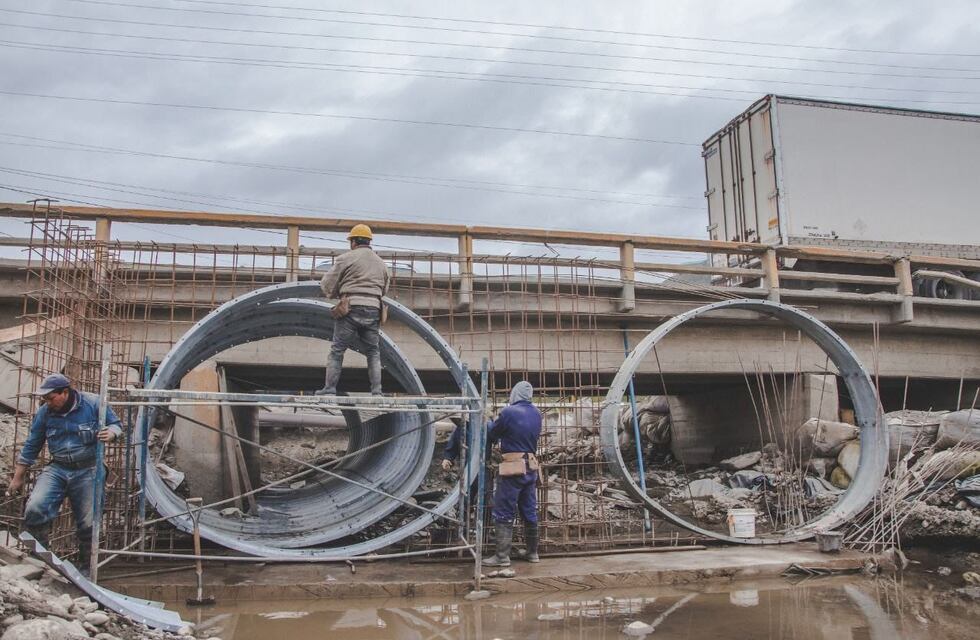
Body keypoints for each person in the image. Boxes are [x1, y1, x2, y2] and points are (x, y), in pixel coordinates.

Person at [5, 374, 122, 569]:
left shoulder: (92, 403)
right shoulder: (45, 412)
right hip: (58, 468)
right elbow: (32, 445)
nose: (48, 403)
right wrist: (18, 477)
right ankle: (41, 561)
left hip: (88, 468)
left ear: (65, 393)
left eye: (51, 398)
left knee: (88, 521)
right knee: (35, 507)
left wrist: (111, 433)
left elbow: (116, 424)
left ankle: (86, 568)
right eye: (45, 399)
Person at [317, 224, 391, 396]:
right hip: (374, 310)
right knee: (373, 352)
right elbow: (384, 289)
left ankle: (329, 388)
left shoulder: (346, 258)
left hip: (350, 309)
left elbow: (327, 284)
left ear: (354, 242)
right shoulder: (381, 264)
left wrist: (335, 293)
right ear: (369, 241)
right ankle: (377, 391)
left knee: (337, 350)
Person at [482, 381, 542, 567]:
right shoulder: (537, 413)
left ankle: (502, 557)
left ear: (515, 394)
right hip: (531, 468)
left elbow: (493, 434)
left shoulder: (508, 412)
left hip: (513, 468)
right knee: (529, 509)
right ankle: (532, 553)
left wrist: (488, 421)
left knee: (504, 510)